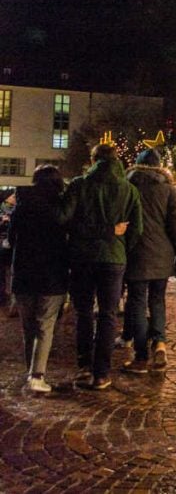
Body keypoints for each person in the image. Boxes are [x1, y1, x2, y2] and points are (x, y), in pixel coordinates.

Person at [61, 144, 143, 391]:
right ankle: (101, 373)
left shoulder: (79, 185)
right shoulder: (129, 190)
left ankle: (85, 365)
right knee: (108, 314)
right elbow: (136, 230)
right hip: (114, 258)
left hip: (83, 258)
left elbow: (65, 220)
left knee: (84, 311)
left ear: (94, 159)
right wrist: (119, 245)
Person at [122, 149, 176, 374]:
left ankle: (141, 355)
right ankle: (159, 342)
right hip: (162, 254)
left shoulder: (129, 187)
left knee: (137, 302)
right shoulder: (169, 191)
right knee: (157, 300)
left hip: (135, 253)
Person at [9, 166, 69, 392]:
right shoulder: (60, 207)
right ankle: (37, 375)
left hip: (24, 274)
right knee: (45, 325)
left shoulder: (22, 205)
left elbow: (12, 238)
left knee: (28, 327)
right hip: (52, 275)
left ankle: (30, 372)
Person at [0, 189, 16, 315]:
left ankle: (11, 301)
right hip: (2, 244)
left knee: (10, 273)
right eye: (12, 195)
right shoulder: (2, 209)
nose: (14, 197)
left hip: (10, 246)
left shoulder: (18, 210)